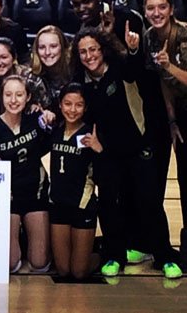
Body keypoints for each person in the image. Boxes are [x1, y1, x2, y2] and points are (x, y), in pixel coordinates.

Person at [71, 26, 182, 279]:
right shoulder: (82, 82)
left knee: (150, 202)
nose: (89, 56)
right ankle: (114, 256)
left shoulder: (121, 69)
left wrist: (133, 48)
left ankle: (164, 256)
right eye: (83, 52)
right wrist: (94, 145)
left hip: (137, 149)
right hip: (105, 154)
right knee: (109, 205)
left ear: (103, 50)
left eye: (93, 50)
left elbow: (135, 67)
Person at [0, 75, 54, 273]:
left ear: (28, 97)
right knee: (11, 264)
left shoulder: (36, 121)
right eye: (8, 95)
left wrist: (49, 117)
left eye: (19, 94)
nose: (13, 100)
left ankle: (30, 234)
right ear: (1, 97)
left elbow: (52, 144)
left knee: (39, 263)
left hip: (35, 194)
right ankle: (18, 235)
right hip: (8, 199)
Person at [143, 0, 187, 264]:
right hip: (174, 115)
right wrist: (171, 119)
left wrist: (169, 65)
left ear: (171, 8)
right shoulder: (149, 38)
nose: (156, 13)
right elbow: (162, 83)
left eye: (161, 7)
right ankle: (154, 242)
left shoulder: (184, 35)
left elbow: (170, 73)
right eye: (150, 8)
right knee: (154, 178)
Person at [48, 83, 102, 280]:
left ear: (85, 107)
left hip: (82, 205)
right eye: (67, 104)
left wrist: (99, 149)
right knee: (63, 270)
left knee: (78, 273)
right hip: (58, 205)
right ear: (60, 105)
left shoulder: (90, 133)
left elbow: (107, 170)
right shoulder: (54, 131)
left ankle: (100, 253)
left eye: (78, 105)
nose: (72, 110)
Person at [30, 25, 72, 111]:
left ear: (63, 47)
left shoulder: (75, 72)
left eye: (53, 46)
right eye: (42, 47)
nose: (47, 52)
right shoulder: (31, 79)